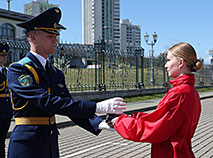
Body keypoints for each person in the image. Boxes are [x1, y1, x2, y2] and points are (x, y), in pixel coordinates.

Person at [7, 7, 126, 158]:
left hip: (49, 142)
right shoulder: (19, 70)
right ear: (33, 37)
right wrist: (96, 107)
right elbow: (46, 101)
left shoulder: (56, 73)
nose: (55, 39)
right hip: (27, 145)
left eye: (56, 35)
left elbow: (67, 103)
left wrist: (98, 123)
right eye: (50, 35)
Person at [112, 42, 203, 158]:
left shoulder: (179, 93)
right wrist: (133, 117)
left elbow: (155, 129)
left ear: (180, 63)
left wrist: (120, 122)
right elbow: (161, 119)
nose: (165, 65)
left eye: (169, 60)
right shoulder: (191, 91)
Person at [0, 43, 12, 158]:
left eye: (5, 55)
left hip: (6, 112)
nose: (4, 58)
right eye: (1, 55)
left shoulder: (6, 72)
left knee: (2, 141)